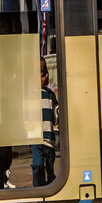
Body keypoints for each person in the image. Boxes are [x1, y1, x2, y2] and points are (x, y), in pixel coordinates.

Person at [31, 59, 58, 187]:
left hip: (49, 138)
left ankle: (50, 182)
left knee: (50, 167)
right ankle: (38, 188)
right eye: (41, 75)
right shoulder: (31, 95)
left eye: (44, 74)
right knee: (37, 164)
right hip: (36, 139)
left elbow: (56, 113)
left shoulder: (50, 94)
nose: (44, 77)